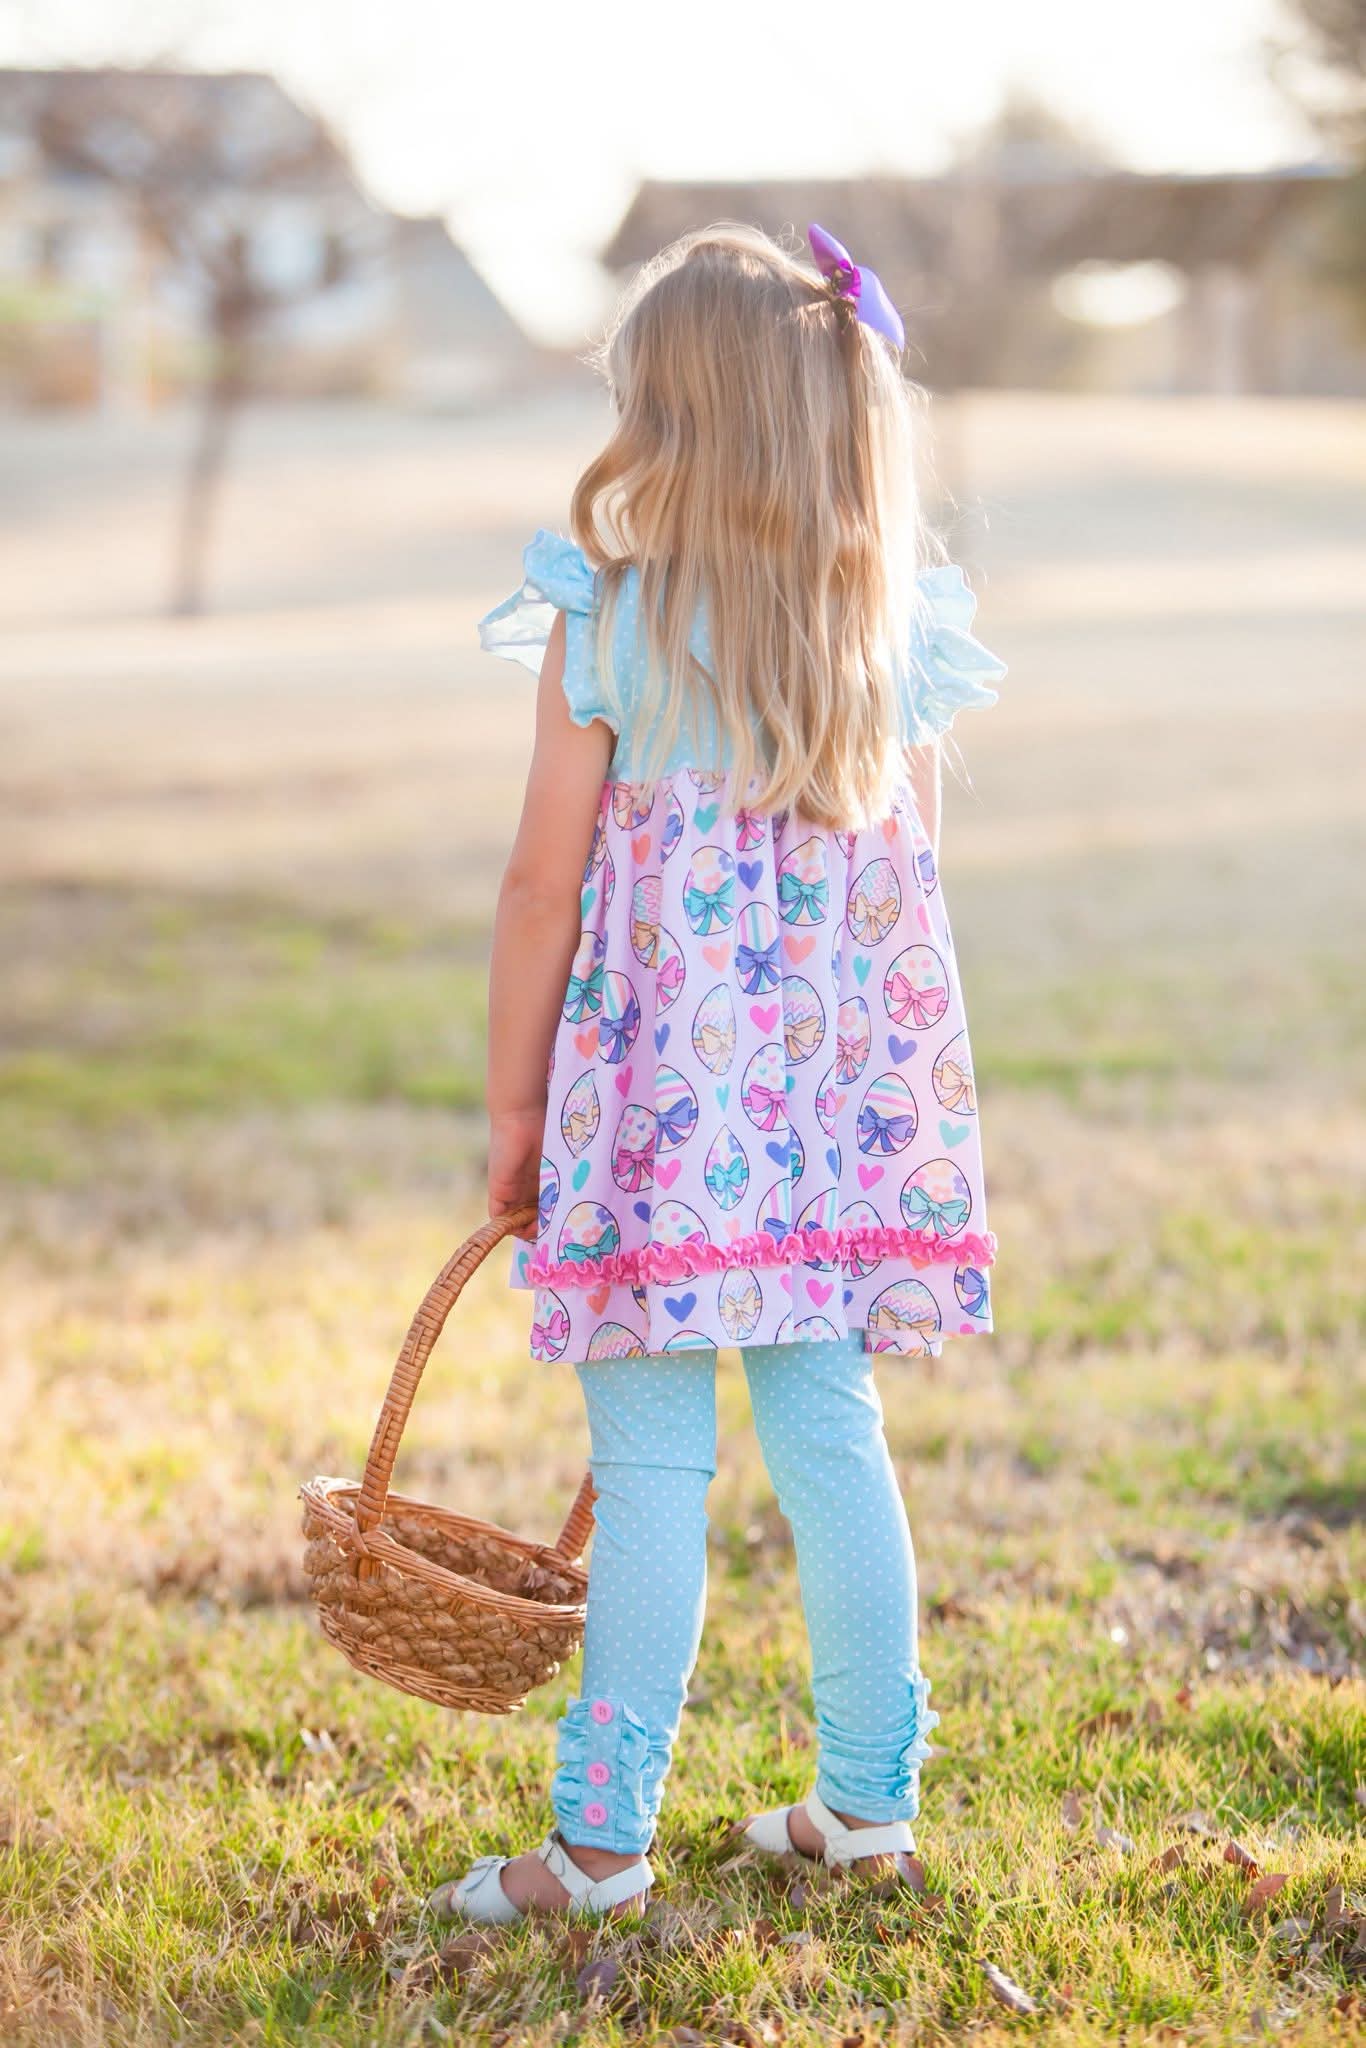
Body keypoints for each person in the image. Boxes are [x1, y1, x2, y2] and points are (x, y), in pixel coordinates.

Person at [429, 222, 1006, 1925]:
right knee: (832, 1433)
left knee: (651, 1468)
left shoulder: (607, 621)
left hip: (652, 1125)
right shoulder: (879, 631)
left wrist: (517, 1111)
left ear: (663, 415)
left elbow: (539, 886)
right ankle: (868, 1808)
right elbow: (895, 897)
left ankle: (600, 1848)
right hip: (831, 1122)